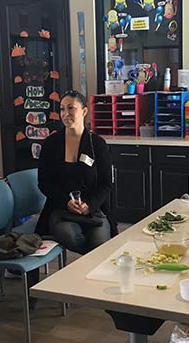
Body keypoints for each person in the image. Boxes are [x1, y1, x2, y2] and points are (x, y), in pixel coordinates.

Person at [38, 90, 115, 254]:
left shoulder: (97, 144)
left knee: (100, 242)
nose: (65, 114)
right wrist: (66, 201)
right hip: (60, 209)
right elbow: (44, 183)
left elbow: (106, 183)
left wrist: (90, 205)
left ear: (84, 111)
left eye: (71, 108)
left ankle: (89, 269)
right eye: (62, 109)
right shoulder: (51, 144)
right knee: (71, 236)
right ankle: (88, 266)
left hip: (93, 209)